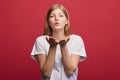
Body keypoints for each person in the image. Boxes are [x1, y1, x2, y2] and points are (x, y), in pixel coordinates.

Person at [31, 3, 87, 80]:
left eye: (61, 16)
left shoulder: (76, 40)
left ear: (66, 20)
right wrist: (52, 47)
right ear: (48, 21)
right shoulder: (41, 41)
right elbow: (46, 73)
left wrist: (63, 46)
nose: (56, 18)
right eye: (52, 16)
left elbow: (70, 71)